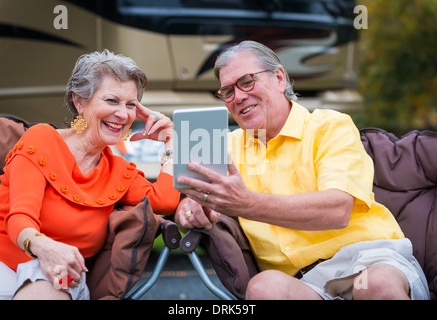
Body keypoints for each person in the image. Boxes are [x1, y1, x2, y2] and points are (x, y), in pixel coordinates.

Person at [174, 40, 430, 300]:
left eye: (247, 82)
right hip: (302, 283)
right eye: (227, 91)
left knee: (376, 285)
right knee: (263, 288)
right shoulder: (226, 147)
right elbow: (189, 202)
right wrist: (190, 211)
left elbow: (338, 209)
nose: (238, 96)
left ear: (279, 78)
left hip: (368, 259)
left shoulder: (330, 126)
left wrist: (246, 204)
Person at [0, 50, 180, 300]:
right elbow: (20, 218)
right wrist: (47, 247)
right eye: (112, 100)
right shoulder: (42, 140)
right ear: (79, 101)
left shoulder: (119, 172)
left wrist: (171, 142)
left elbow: (165, 200)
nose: (123, 114)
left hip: (60, 276)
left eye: (130, 104)